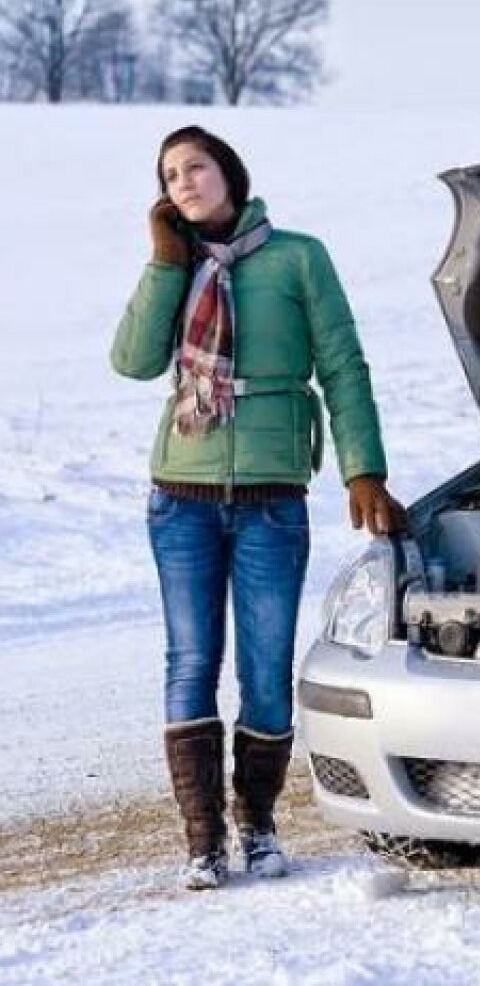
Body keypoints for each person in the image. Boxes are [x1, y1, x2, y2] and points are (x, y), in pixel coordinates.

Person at [111, 125, 405, 890]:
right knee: (190, 663)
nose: (183, 182)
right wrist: (164, 261)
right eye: (170, 174)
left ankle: (261, 825)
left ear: (229, 173)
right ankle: (203, 840)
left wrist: (362, 469)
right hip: (180, 496)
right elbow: (136, 361)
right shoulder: (178, 266)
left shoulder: (298, 257)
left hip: (272, 498)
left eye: (196, 166)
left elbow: (343, 365)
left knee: (267, 670)